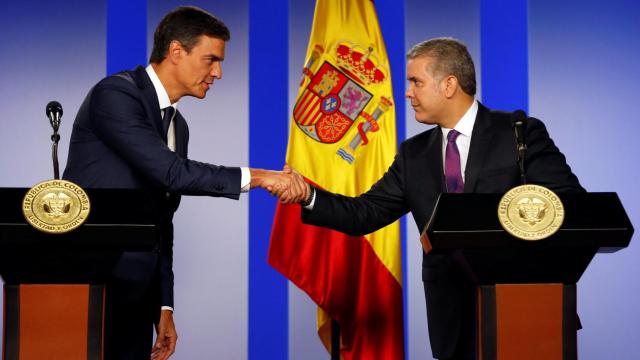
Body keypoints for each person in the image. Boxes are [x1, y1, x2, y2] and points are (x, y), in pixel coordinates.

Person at [282, 37, 584, 359]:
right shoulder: (413, 155)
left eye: (416, 82)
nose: (408, 93)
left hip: (523, 313)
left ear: (449, 85)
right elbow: (364, 213)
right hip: (451, 324)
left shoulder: (518, 133)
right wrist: (308, 194)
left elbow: (570, 204)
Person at [63, 6, 305, 360]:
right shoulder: (115, 95)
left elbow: (161, 222)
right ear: (176, 51)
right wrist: (260, 177)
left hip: (136, 295)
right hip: (88, 288)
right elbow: (171, 173)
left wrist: (164, 308)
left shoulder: (178, 126)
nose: (218, 72)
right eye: (211, 60)